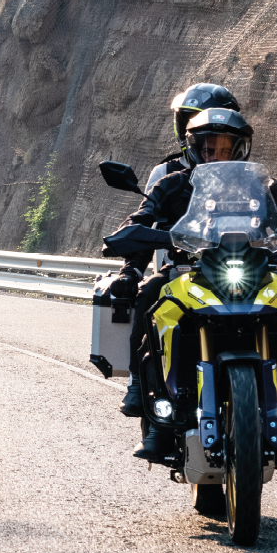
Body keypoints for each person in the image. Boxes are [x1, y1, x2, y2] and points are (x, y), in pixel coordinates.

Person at [103, 106, 277, 465]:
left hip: (252, 268)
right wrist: (128, 247)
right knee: (151, 294)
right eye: (207, 148)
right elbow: (142, 217)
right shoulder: (171, 184)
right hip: (190, 269)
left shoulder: (263, 186)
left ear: (239, 149)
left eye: (223, 148)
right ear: (193, 148)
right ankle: (147, 402)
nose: (215, 155)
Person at [106, 83, 244, 417]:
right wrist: (131, 270)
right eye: (193, 120)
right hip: (183, 269)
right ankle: (139, 386)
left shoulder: (247, 176)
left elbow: (273, 220)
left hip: (238, 268)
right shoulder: (168, 174)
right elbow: (145, 222)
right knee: (147, 296)